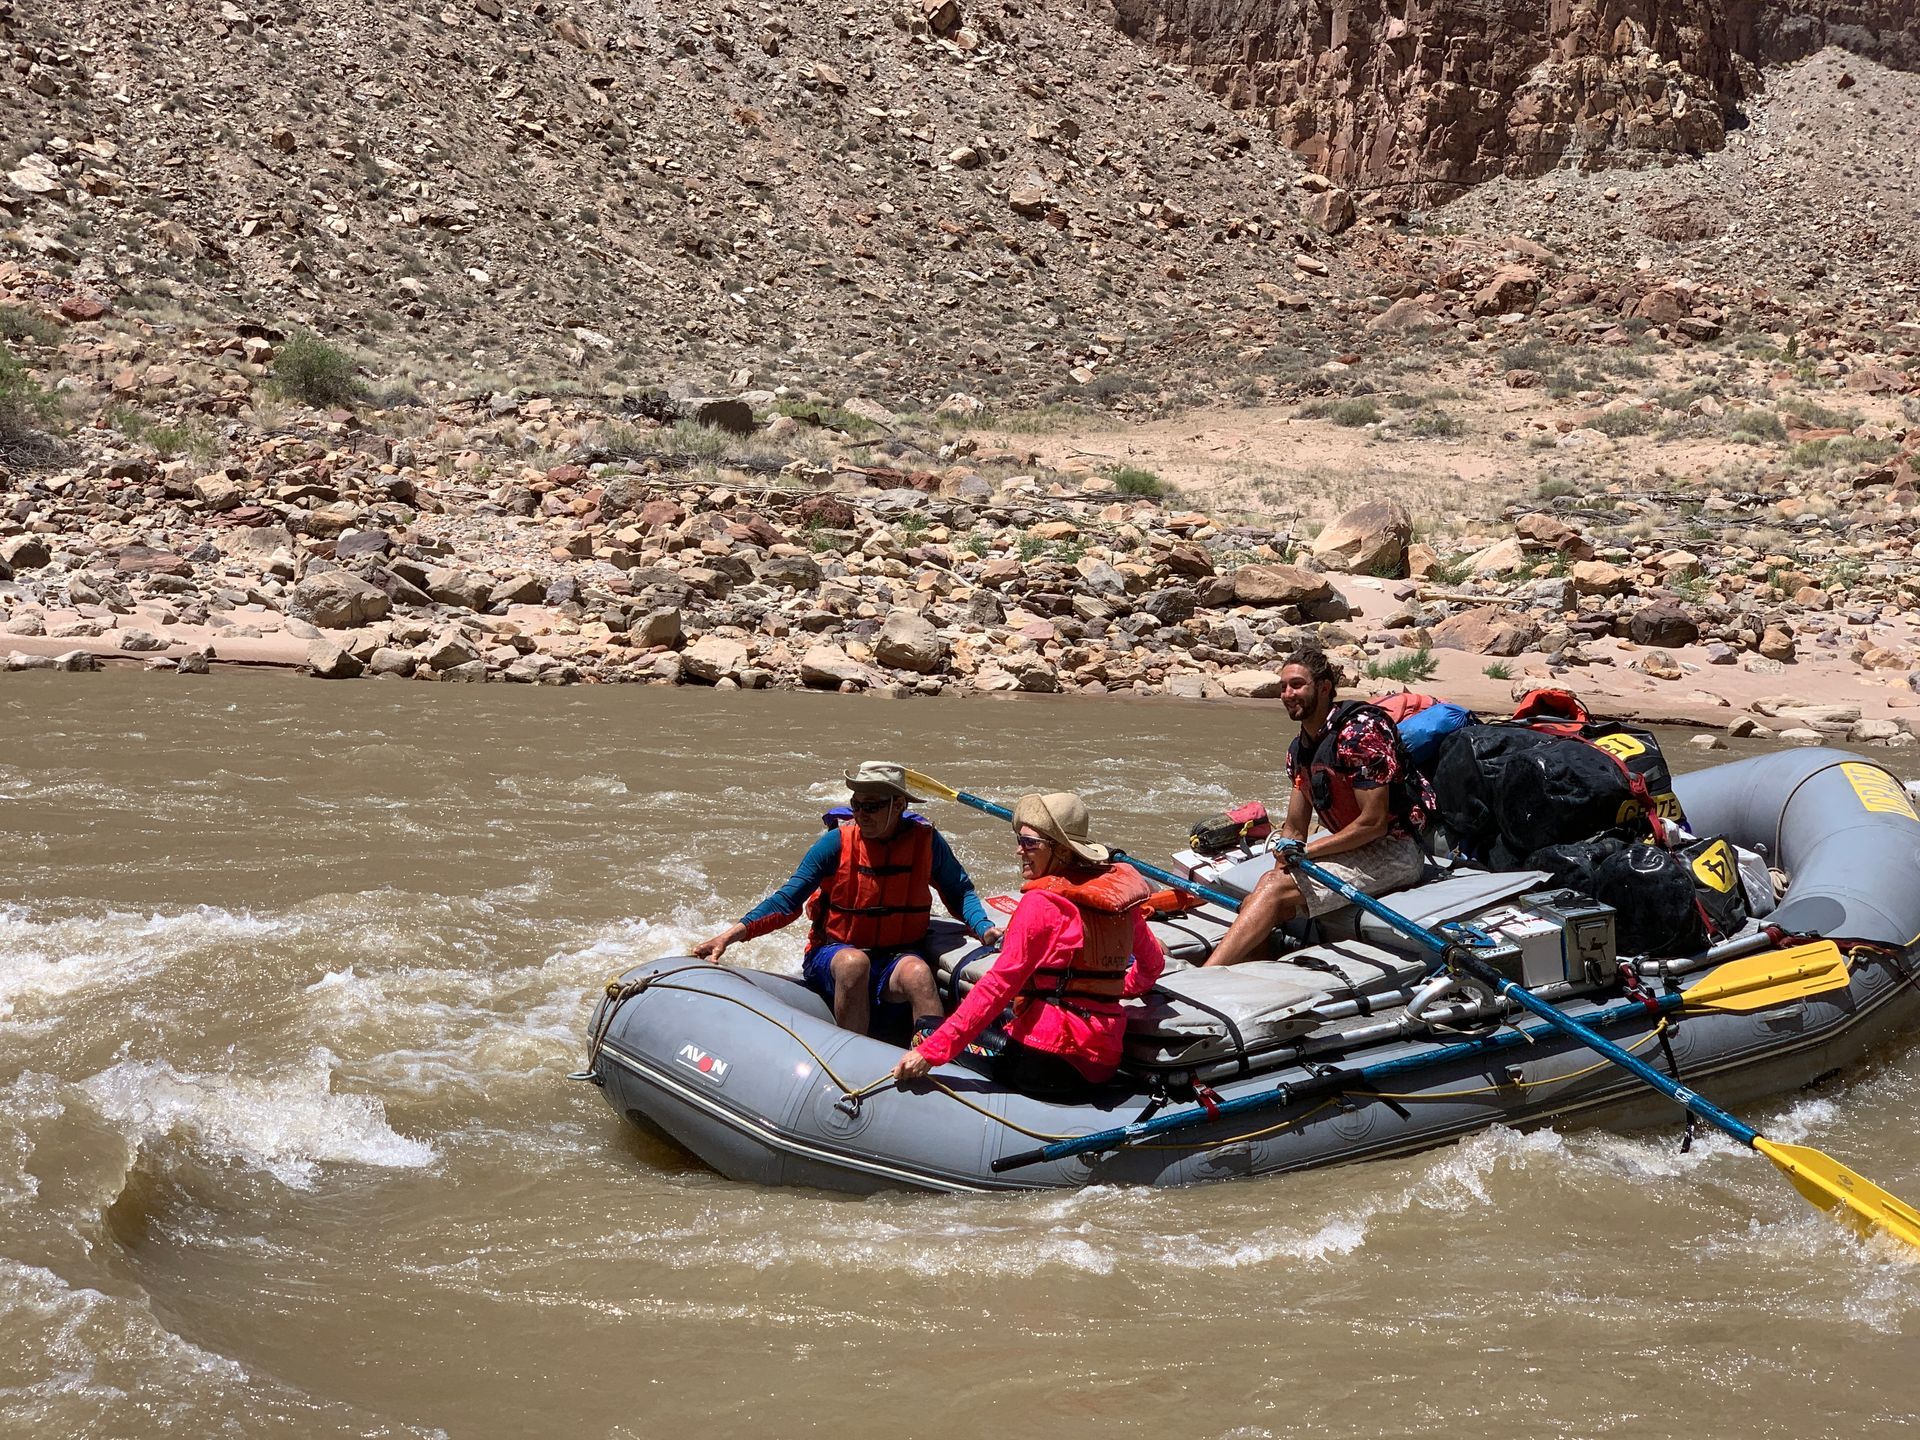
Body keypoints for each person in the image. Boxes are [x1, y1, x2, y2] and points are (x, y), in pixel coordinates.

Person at [692, 762, 1002, 1037]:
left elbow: (959, 891)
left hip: (896, 957)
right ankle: (853, 1061)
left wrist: (983, 927)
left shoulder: (927, 842)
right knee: (855, 964)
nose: (861, 814)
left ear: (898, 805)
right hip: (834, 954)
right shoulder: (835, 844)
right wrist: (729, 936)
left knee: (920, 975)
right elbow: (787, 901)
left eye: (872, 806)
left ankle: (933, 1062)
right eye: (857, 804)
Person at [892, 792, 1165, 1097]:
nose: (1019, 850)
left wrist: (931, 1052)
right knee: (1004, 1017)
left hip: (1046, 1061)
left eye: (1030, 843)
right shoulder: (1116, 898)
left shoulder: (1042, 904)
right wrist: (1111, 990)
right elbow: (1153, 965)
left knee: (927, 1029)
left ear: (1061, 850)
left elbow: (998, 986)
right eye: (1020, 840)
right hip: (1102, 1059)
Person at [1204, 646, 1436, 968]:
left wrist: (1307, 854)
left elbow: (1373, 823)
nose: (1287, 694)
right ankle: (1254, 964)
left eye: (1297, 685)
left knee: (1271, 891)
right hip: (1353, 847)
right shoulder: (1300, 750)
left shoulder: (1360, 733)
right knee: (1260, 895)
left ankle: (1208, 973)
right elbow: (1295, 828)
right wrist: (1284, 862)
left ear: (1324, 688)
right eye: (1283, 687)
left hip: (1395, 850)